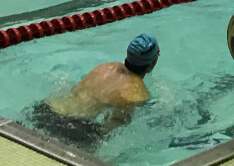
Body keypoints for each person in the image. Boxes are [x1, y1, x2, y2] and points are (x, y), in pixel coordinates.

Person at [28, 34, 159, 150]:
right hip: (71, 127)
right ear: (152, 64)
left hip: (45, 109)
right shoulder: (137, 91)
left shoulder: (106, 67)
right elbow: (114, 124)